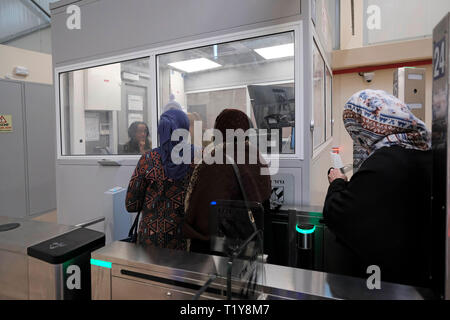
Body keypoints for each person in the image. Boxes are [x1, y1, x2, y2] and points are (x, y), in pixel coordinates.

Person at [323, 89, 432, 287]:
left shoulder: (384, 162)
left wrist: (337, 182)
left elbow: (338, 214)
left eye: (355, 129)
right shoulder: (424, 151)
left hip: (384, 282)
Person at [183, 109, 272, 255]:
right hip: (253, 243)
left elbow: (203, 214)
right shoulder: (256, 156)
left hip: (225, 251)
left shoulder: (216, 162)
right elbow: (265, 195)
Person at [125, 109, 194, 250]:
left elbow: (131, 204)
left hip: (151, 240)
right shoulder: (198, 158)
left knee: (150, 273)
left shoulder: (148, 159)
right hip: (185, 240)